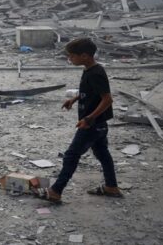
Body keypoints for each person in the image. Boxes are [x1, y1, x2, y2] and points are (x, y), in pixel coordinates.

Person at [33, 38, 122, 203]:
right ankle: (111, 187)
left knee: (71, 155)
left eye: (72, 56)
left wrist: (89, 118)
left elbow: (107, 99)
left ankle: (55, 191)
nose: (70, 59)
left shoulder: (96, 73)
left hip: (92, 124)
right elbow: (90, 92)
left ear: (85, 56)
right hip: (98, 124)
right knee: (102, 153)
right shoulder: (89, 70)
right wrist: (74, 99)